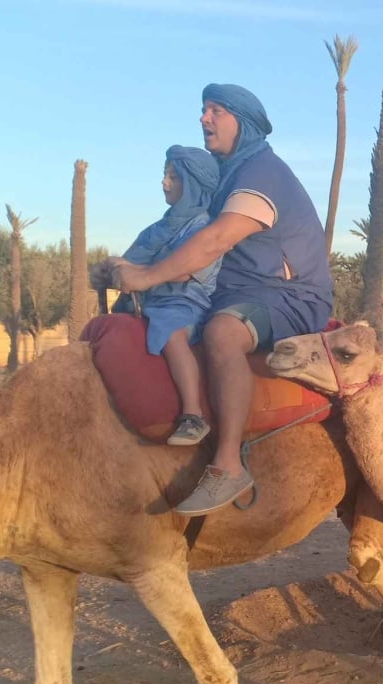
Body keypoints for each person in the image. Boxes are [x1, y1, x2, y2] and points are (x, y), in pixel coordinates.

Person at [109, 84, 334, 515]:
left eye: (216, 111)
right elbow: (188, 237)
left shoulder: (261, 173)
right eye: (203, 109)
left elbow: (215, 240)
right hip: (233, 290)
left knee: (223, 333)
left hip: (287, 295)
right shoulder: (225, 175)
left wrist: (149, 276)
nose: (204, 118)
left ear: (242, 122)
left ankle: (228, 464)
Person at [94, 145, 222, 446]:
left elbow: (183, 272)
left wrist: (135, 271)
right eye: (165, 175)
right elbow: (130, 267)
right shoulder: (156, 230)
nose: (164, 183)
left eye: (173, 177)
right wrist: (109, 271)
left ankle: (193, 414)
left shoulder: (205, 231)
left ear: (192, 184)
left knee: (172, 333)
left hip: (183, 300)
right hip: (147, 300)